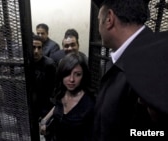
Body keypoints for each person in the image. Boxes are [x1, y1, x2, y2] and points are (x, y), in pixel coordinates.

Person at [93, 0, 168, 141]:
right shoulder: (118, 57)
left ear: (109, 18)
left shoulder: (157, 62)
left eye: (98, 21)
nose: (98, 29)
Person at [40, 52, 95, 141]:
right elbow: (58, 106)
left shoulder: (89, 104)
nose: (71, 79)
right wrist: (44, 120)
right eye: (67, 74)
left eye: (77, 74)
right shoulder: (61, 92)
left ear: (84, 76)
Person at [32, 35, 56, 141]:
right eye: (33, 47)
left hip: (45, 104)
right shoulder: (26, 63)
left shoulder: (49, 64)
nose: (36, 51)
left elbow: (54, 88)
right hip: (32, 103)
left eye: (39, 48)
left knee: (47, 132)